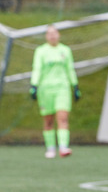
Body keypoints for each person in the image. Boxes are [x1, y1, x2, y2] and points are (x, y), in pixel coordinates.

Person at [29, 24, 80, 158]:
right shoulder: (41, 51)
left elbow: (70, 69)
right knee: (48, 120)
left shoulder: (65, 50)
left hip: (62, 88)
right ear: (46, 36)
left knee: (62, 117)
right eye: (49, 33)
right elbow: (37, 68)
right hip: (45, 89)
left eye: (54, 33)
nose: (52, 36)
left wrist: (75, 86)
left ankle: (63, 147)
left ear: (59, 35)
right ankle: (50, 148)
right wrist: (34, 85)